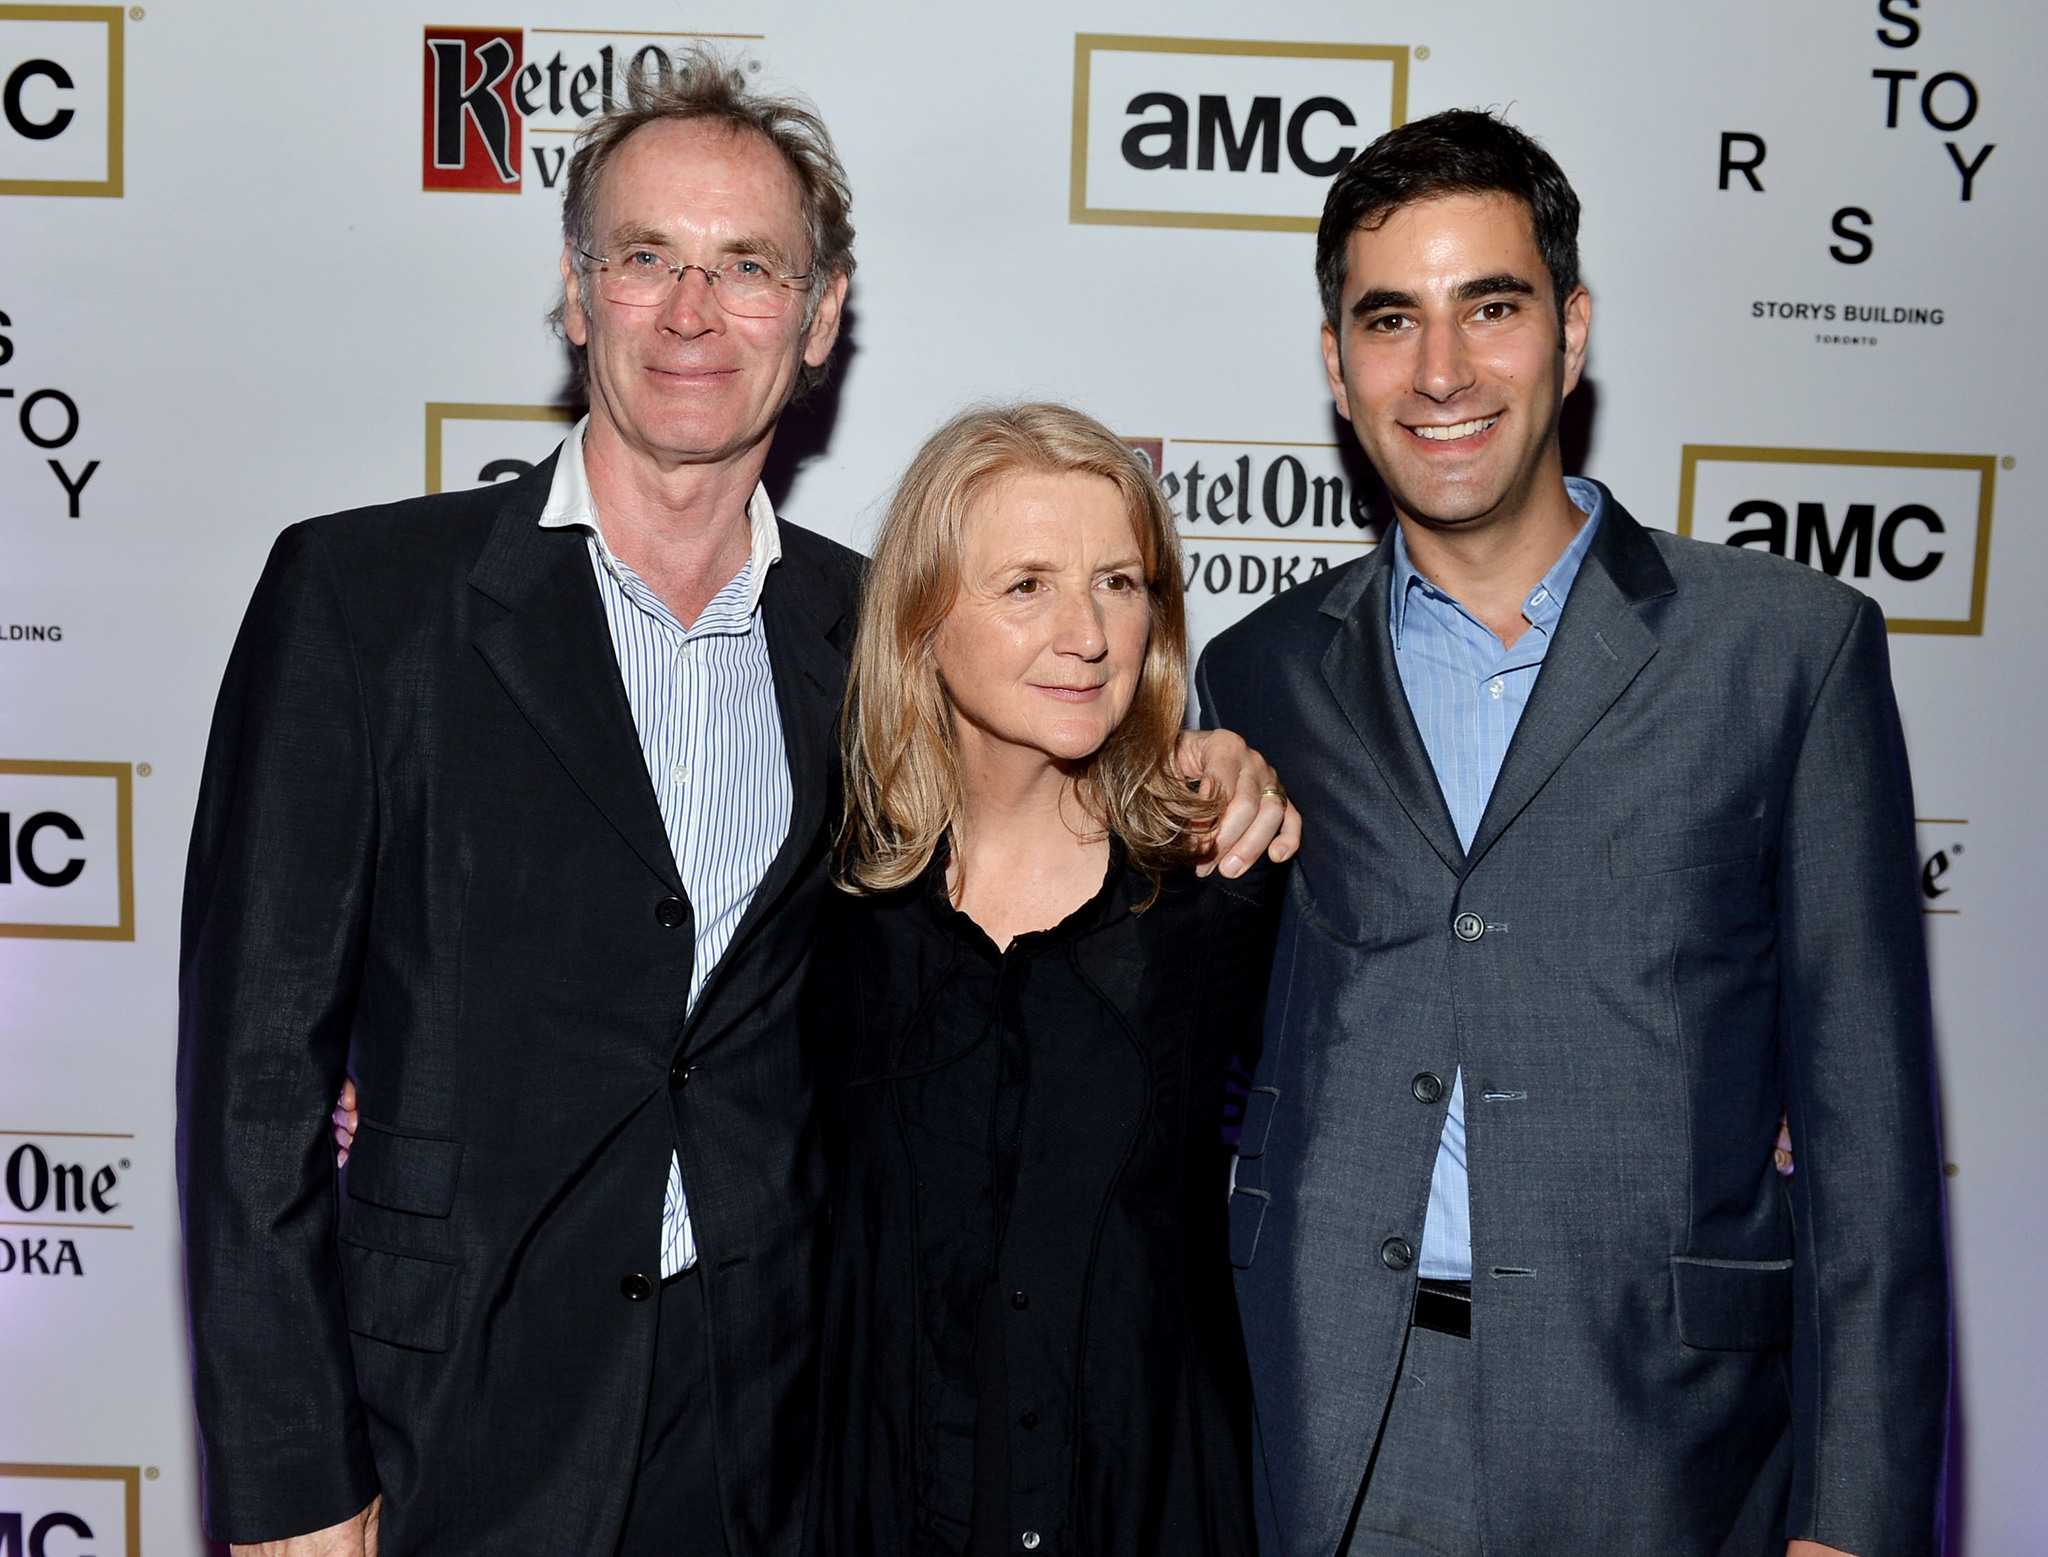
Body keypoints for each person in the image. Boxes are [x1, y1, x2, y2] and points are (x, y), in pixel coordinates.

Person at [177, 60, 1291, 1557]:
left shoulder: (876, 643)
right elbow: (254, 1090)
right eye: (646, 259)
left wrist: (1219, 769)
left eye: (748, 268)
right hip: (451, 1433)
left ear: (821, 319)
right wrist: (295, 1477)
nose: (692, 313)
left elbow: (1048, 828)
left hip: (782, 1441)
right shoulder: (365, 604)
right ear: (576, 296)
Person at [1199, 111, 1949, 1557]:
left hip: (1670, 1437)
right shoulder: (1259, 672)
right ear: (1336, 366)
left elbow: (1869, 1134)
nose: (1442, 372)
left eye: (1492, 306)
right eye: (1389, 318)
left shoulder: (1787, 653)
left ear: (1572, 327)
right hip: (1339, 1429)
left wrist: (1853, 1517)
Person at [807, 403, 1276, 1557]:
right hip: (876, 1509)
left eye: (1119, 583)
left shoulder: (1227, 892)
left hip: (1147, 1506)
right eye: (1024, 585)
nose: (1086, 633)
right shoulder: (822, 898)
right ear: (923, 619)